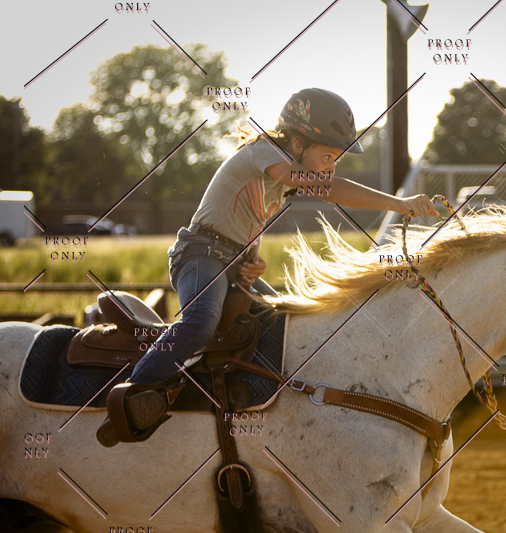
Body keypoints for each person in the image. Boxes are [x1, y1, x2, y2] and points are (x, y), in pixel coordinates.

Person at [97, 88, 438, 447]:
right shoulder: (263, 151)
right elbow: (328, 189)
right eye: (327, 156)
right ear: (296, 144)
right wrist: (399, 204)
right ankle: (131, 396)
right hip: (198, 255)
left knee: (284, 321)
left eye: (336, 159)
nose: (331, 167)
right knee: (200, 321)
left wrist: (251, 260)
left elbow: (248, 219)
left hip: (229, 263)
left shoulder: (280, 184)